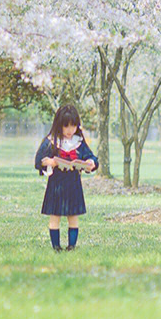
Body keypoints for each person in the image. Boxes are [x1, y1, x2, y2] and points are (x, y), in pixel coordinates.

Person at [34, 104, 99, 251]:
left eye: (73, 126)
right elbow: (38, 161)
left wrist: (90, 162)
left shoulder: (79, 142)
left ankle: (71, 246)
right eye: (66, 126)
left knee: (73, 216)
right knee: (55, 216)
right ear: (59, 125)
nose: (70, 130)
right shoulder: (51, 141)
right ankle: (56, 247)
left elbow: (92, 157)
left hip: (73, 184)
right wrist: (49, 162)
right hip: (56, 184)